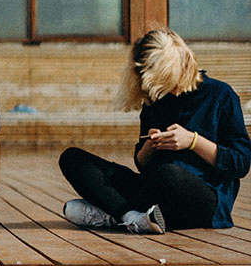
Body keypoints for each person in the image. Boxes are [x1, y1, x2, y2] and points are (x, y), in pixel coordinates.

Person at [59, 27, 250, 234]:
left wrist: (193, 142)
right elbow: (142, 165)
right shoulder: (156, 99)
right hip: (155, 192)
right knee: (72, 158)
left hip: (204, 200)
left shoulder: (220, 95)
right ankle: (131, 217)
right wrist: (148, 149)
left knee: (169, 175)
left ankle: (112, 215)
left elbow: (240, 164)